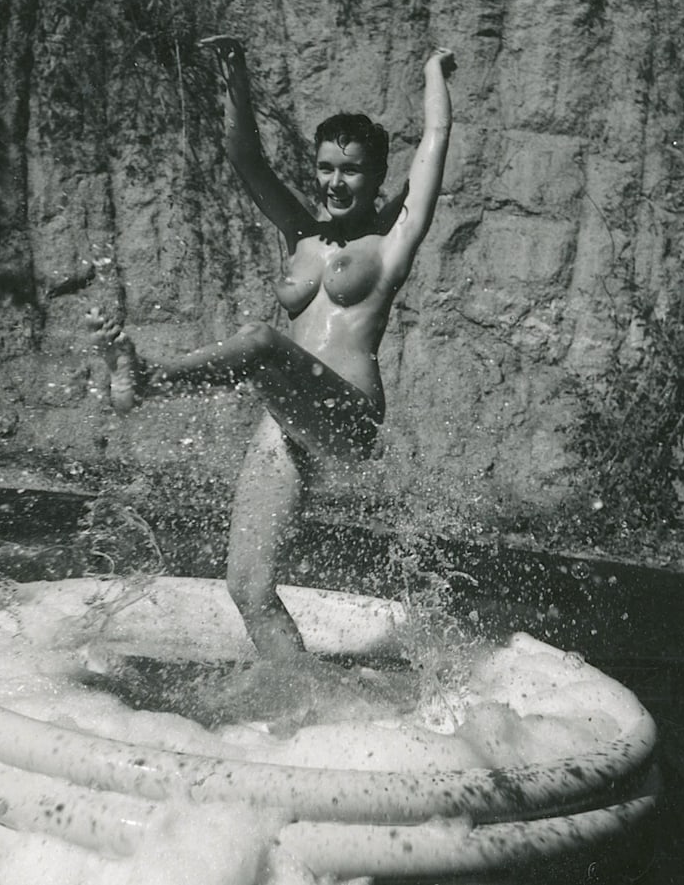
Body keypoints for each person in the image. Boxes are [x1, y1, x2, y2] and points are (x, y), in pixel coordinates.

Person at [88, 36, 455, 660]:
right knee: (248, 586)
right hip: (285, 419)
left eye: (352, 169)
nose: (335, 182)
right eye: (325, 167)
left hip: (346, 415)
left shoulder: (391, 239)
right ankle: (299, 702)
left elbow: (435, 143)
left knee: (260, 341)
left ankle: (150, 380)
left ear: (375, 175)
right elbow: (246, 158)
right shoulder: (301, 232)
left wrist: (432, 75)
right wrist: (233, 72)